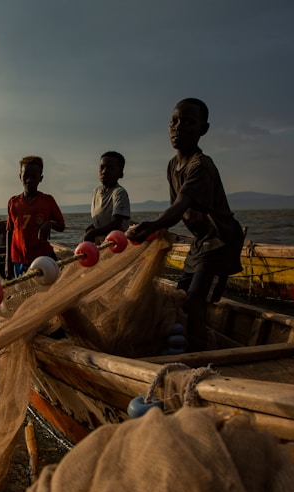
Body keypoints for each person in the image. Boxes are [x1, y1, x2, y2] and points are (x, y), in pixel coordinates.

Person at [127, 98, 245, 352]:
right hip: (201, 242)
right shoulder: (173, 165)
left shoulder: (201, 166)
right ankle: (187, 345)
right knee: (180, 296)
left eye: (189, 123)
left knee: (194, 301)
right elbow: (177, 211)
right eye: (174, 121)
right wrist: (154, 229)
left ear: (204, 129)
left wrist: (155, 224)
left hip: (221, 240)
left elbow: (181, 205)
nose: (178, 127)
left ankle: (199, 356)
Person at [6, 155, 66, 277]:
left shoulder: (47, 201)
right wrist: (8, 263)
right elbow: (10, 231)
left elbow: (61, 226)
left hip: (44, 256)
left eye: (34, 177)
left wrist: (49, 223)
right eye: (25, 176)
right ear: (20, 177)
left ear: (41, 179)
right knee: (25, 290)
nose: (29, 180)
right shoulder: (13, 202)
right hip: (20, 258)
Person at [83, 151, 131, 243]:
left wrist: (94, 233)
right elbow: (103, 220)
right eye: (102, 167)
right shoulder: (96, 192)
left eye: (110, 168)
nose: (104, 171)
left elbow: (116, 224)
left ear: (121, 173)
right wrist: (94, 227)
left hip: (116, 243)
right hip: (102, 242)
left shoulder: (119, 192)